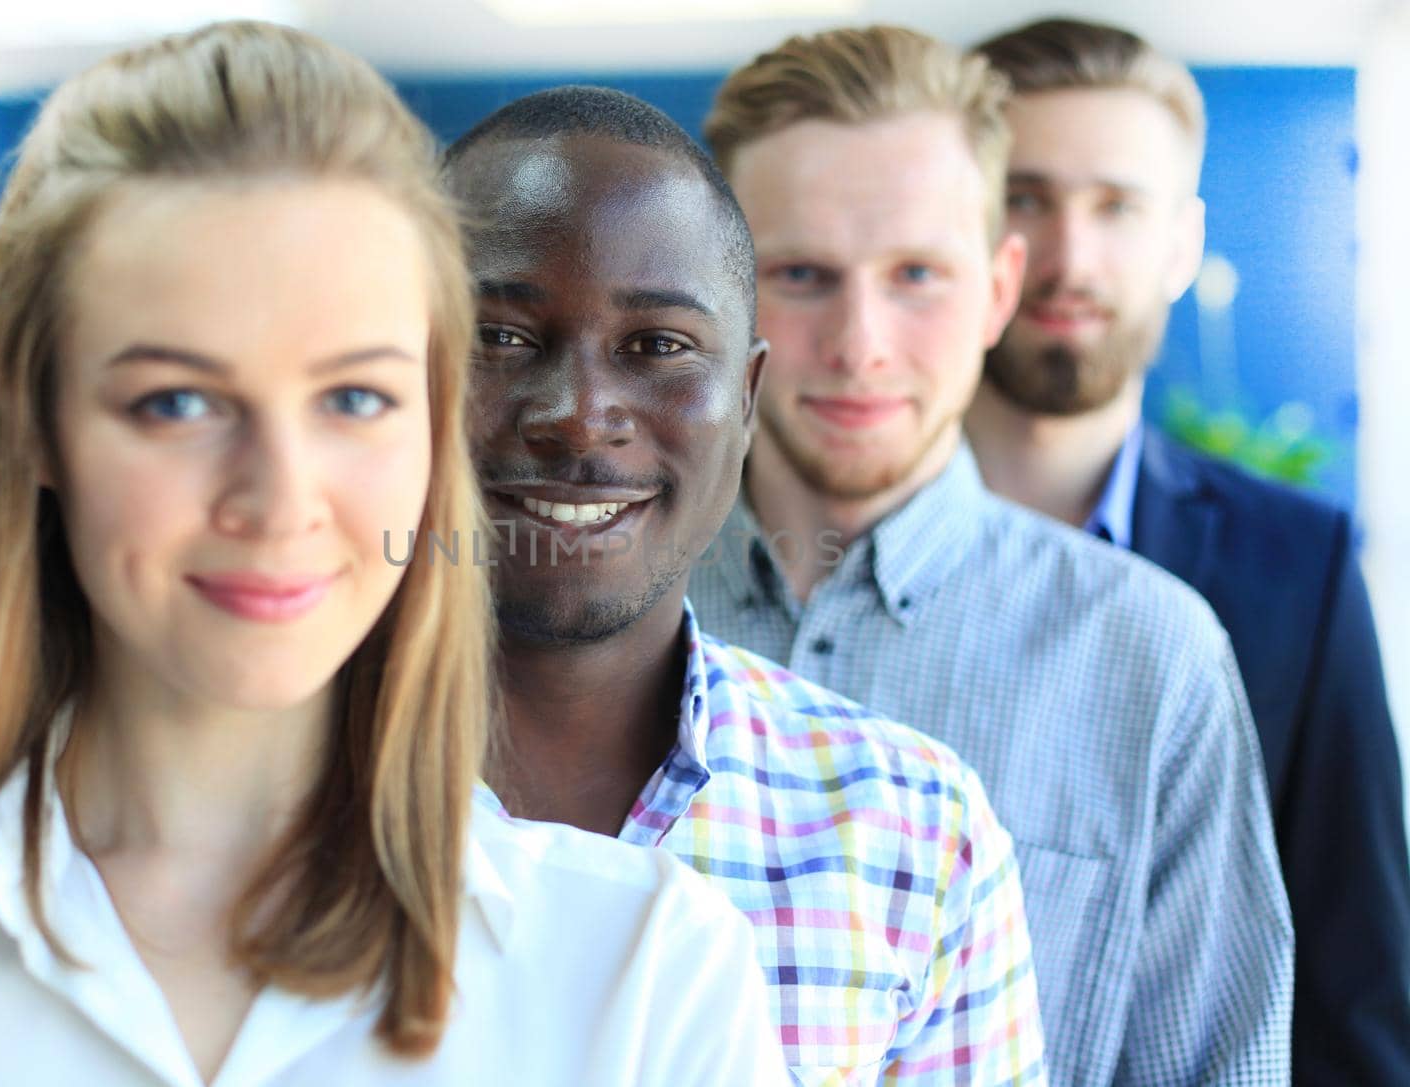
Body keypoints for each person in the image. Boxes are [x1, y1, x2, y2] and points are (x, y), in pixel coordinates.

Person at [0, 22, 789, 1087]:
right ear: (34, 419)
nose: (280, 498)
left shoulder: (642, 974)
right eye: (177, 401)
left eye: (353, 397)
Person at [688, 25, 1295, 1085]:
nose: (861, 341)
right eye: (801, 273)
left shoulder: (1152, 658)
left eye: (917, 273)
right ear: (718, 285)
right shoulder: (575, 617)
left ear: (1000, 289)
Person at [444, 85, 1046, 1085]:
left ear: (748, 400)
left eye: (658, 347)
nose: (579, 416)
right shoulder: (244, 785)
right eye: (500, 338)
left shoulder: (912, 832)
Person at [968, 18, 1410, 1084]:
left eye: (1116, 204)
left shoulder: (1294, 565)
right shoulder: (824, 540)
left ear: (1181, 244)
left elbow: (1356, 980)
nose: (1070, 256)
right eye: (1024, 197)